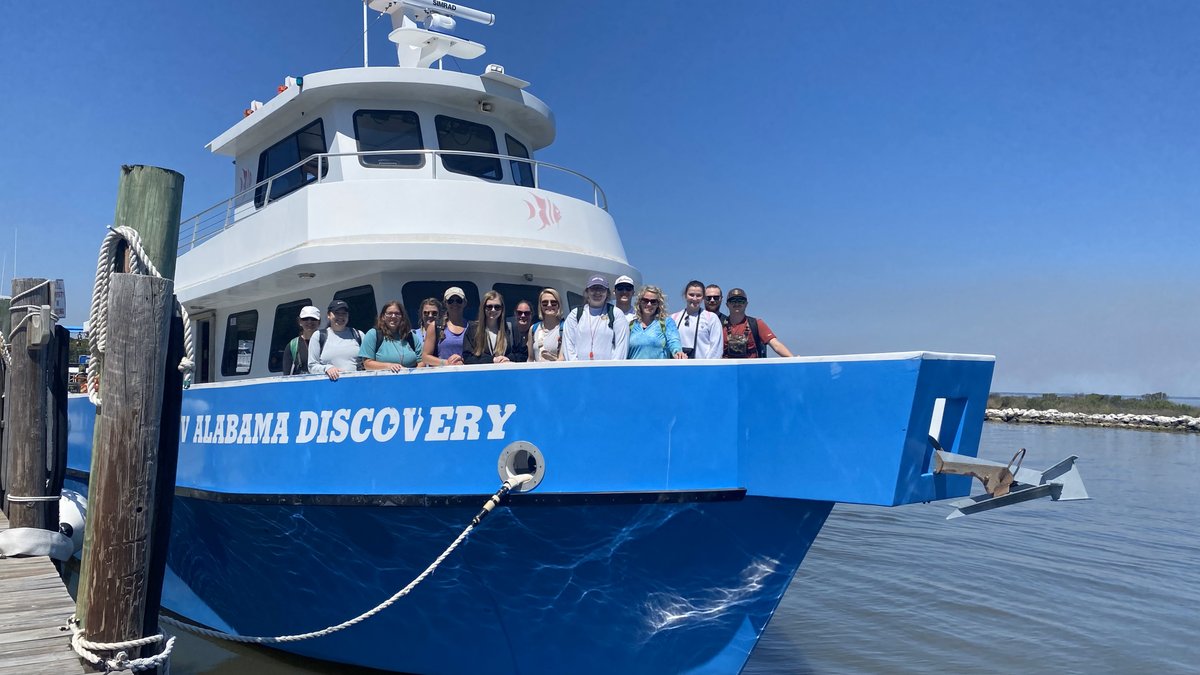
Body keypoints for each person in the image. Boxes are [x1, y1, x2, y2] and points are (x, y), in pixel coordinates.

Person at [562, 275, 628, 361]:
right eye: (593, 288)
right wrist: (576, 368)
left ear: (607, 293)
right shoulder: (575, 314)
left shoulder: (616, 313)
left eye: (601, 289)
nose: (597, 292)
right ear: (587, 292)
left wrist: (612, 370)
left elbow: (621, 347)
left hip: (607, 371)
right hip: (580, 371)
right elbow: (568, 344)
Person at [722, 288, 794, 358]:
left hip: (752, 369)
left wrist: (794, 359)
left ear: (746, 304)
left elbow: (776, 345)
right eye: (733, 301)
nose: (737, 303)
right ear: (727, 304)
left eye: (741, 301)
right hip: (727, 369)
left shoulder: (756, 324)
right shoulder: (720, 326)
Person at [308, 300, 364, 380]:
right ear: (328, 315)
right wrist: (327, 368)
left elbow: (368, 362)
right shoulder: (318, 336)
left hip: (356, 385)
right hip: (330, 387)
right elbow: (312, 366)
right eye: (337, 313)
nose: (341, 317)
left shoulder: (359, 335)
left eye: (344, 313)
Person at [627, 285, 685, 360]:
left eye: (653, 302)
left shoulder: (666, 322)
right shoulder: (631, 325)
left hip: (659, 371)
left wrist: (677, 352)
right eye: (645, 300)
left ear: (658, 304)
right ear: (639, 302)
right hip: (634, 371)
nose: (649, 304)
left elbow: (674, 341)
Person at [360, 301, 421, 371]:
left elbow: (422, 361)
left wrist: (413, 374)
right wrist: (389, 366)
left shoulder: (411, 336)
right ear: (383, 317)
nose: (393, 316)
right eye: (389, 313)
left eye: (397, 313)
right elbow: (367, 364)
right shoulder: (373, 334)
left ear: (402, 317)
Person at [669, 280, 723, 359]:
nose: (694, 298)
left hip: (703, 368)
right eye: (691, 295)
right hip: (678, 368)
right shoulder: (673, 318)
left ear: (703, 297)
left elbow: (716, 349)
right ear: (685, 295)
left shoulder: (711, 318)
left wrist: (707, 367)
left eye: (698, 295)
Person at [463, 290, 516, 364]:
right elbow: (467, 358)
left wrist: (507, 359)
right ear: (483, 308)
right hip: (482, 374)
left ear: (502, 309)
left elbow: (515, 354)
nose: (493, 310)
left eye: (497, 307)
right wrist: (493, 360)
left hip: (503, 373)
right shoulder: (473, 329)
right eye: (489, 306)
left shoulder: (508, 329)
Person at [422, 287, 468, 367]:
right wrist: (447, 363)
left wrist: (463, 361)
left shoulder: (472, 327)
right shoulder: (434, 326)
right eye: (450, 301)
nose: (455, 304)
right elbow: (425, 357)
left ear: (464, 303)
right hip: (442, 377)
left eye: (458, 301)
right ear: (445, 303)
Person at [283, 305, 321, 375]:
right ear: (300, 321)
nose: (309, 321)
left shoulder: (325, 342)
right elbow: (286, 375)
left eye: (313, 319)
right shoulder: (292, 345)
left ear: (319, 322)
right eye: (305, 319)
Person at [529, 288, 565, 361]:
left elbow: (563, 359)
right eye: (545, 303)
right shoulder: (533, 329)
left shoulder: (565, 328)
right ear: (540, 306)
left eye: (553, 302)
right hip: (537, 372)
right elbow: (530, 358)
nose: (549, 305)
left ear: (559, 305)